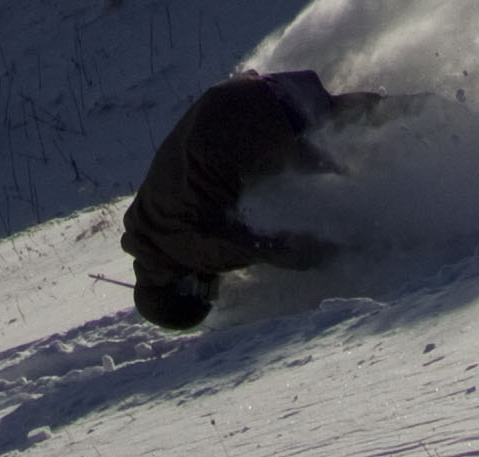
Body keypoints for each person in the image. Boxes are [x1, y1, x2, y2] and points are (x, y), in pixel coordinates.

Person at [119, 67, 396, 330]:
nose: (211, 281)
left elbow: (264, 246)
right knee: (349, 118)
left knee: (343, 163)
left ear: (179, 285)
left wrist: (346, 250)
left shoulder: (185, 251)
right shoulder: (146, 223)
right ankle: (424, 112)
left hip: (251, 127)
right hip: (241, 95)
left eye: (203, 289)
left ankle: (416, 169)